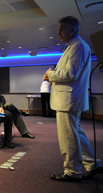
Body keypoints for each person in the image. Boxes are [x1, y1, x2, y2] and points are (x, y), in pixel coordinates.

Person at [43, 16, 103, 182]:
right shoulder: (75, 46)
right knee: (76, 132)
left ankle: (72, 171)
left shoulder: (77, 46)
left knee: (68, 136)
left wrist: (50, 75)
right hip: (69, 99)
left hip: (67, 101)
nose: (58, 33)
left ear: (73, 29)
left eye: (61, 29)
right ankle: (93, 164)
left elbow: (71, 74)